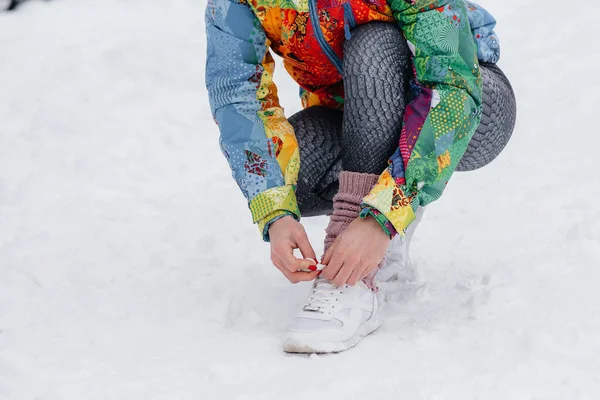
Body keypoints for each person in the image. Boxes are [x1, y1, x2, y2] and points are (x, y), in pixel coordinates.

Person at [205, 0, 516, 353]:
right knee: (293, 179)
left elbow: (452, 83)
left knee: (373, 43)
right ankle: (383, 201)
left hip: (468, 101)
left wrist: (382, 218)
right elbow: (238, 98)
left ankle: (353, 273)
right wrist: (276, 214)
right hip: (356, 116)